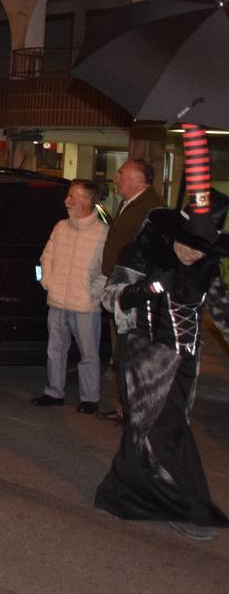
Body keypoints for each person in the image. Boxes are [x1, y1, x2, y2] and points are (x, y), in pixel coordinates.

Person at [97, 192, 229, 539]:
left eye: (201, 248)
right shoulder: (145, 251)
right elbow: (111, 297)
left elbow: (222, 312)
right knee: (167, 431)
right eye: (187, 244)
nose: (192, 252)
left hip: (186, 362)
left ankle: (123, 493)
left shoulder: (207, 268)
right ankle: (191, 509)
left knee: (146, 431)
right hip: (146, 356)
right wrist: (149, 287)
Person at [31, 179, 109, 414]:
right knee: (55, 349)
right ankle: (54, 392)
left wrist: (92, 293)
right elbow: (45, 258)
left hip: (85, 306)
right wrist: (46, 282)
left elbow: (107, 271)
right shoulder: (61, 227)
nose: (66, 201)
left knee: (88, 353)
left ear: (87, 200)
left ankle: (90, 398)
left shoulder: (103, 233)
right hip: (57, 301)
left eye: (72, 197)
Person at [97, 158, 163, 422]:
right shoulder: (131, 204)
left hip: (134, 293)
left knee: (131, 351)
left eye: (121, 174)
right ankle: (123, 405)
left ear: (138, 178)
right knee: (120, 350)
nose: (116, 178)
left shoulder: (152, 208)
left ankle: (134, 407)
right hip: (119, 287)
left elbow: (149, 252)